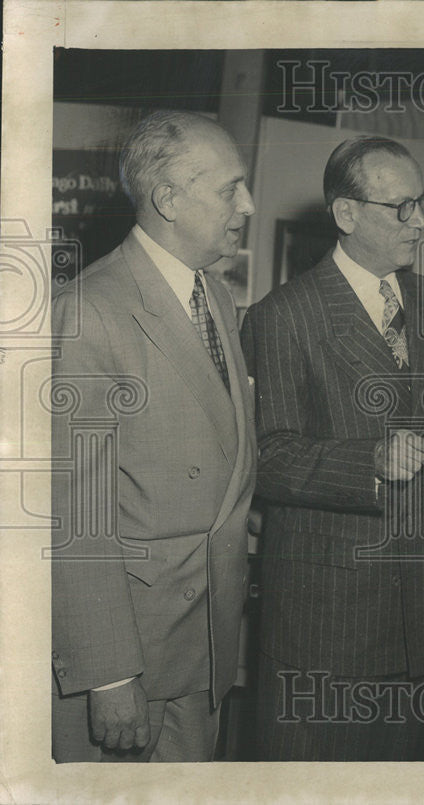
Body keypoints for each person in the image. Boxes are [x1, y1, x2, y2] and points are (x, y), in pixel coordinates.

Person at [242, 136, 424, 761]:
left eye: (423, 202)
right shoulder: (282, 316)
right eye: (402, 207)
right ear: (347, 215)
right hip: (326, 620)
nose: (420, 221)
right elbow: (267, 454)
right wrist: (366, 461)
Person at [50, 111, 258, 762]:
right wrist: (108, 672)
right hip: (134, 658)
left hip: (203, 647)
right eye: (231, 188)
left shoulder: (217, 297)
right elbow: (74, 513)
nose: (247, 205)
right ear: (168, 199)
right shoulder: (90, 311)